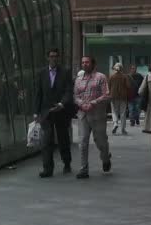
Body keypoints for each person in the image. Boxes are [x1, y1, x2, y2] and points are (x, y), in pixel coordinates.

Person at [33, 48, 73, 177]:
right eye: (51, 56)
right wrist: (35, 112)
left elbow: (68, 91)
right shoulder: (42, 73)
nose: (53, 58)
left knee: (63, 138)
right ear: (47, 58)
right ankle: (47, 169)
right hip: (46, 112)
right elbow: (38, 93)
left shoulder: (65, 72)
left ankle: (66, 163)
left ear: (58, 57)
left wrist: (62, 103)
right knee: (46, 140)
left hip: (61, 110)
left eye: (56, 56)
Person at [73, 56, 112, 179]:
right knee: (83, 141)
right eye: (83, 62)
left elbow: (106, 95)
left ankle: (105, 158)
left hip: (97, 115)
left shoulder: (101, 77)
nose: (84, 64)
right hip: (83, 114)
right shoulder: (79, 79)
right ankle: (84, 169)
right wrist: (81, 104)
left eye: (87, 62)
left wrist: (93, 103)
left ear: (93, 64)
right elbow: (75, 95)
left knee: (100, 141)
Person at [109, 63, 131, 135]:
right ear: (122, 68)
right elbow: (128, 86)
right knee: (123, 113)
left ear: (114, 68)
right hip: (123, 97)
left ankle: (115, 123)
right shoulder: (125, 77)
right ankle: (123, 129)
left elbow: (108, 86)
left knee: (114, 111)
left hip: (113, 96)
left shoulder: (111, 76)